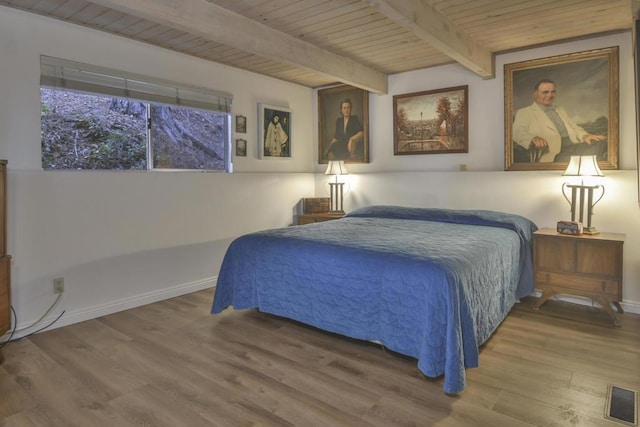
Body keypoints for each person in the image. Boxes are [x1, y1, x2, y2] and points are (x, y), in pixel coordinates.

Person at [512, 79, 606, 163]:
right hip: (556, 152)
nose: (550, 95)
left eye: (553, 92)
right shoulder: (525, 112)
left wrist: (585, 135)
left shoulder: (560, 109)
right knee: (579, 159)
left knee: (600, 142)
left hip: (573, 145)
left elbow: (573, 127)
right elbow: (517, 132)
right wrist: (533, 138)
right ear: (535, 94)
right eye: (545, 92)